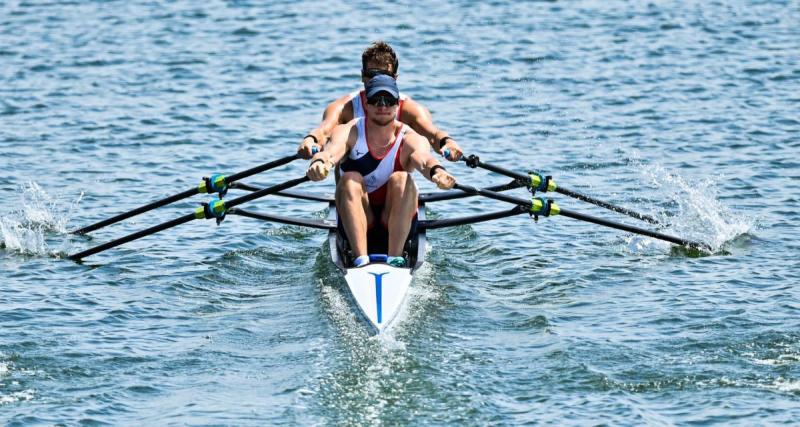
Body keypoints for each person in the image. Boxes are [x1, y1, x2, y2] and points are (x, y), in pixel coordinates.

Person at [306, 75, 456, 268]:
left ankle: (395, 259)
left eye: (389, 100)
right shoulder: (349, 130)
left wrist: (438, 173)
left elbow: (424, 159)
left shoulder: (410, 137)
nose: (383, 106)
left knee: (402, 178)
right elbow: (331, 152)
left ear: (397, 106)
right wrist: (319, 163)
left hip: (395, 220)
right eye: (377, 100)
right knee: (350, 179)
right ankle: (361, 260)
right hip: (359, 219)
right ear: (366, 104)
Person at [298, 41, 463, 162]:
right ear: (363, 76)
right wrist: (310, 140)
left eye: (385, 75)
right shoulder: (344, 108)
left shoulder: (410, 109)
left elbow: (433, 135)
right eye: (373, 74)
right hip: (352, 187)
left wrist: (448, 143)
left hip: (396, 187)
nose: (379, 80)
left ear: (395, 78)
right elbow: (324, 131)